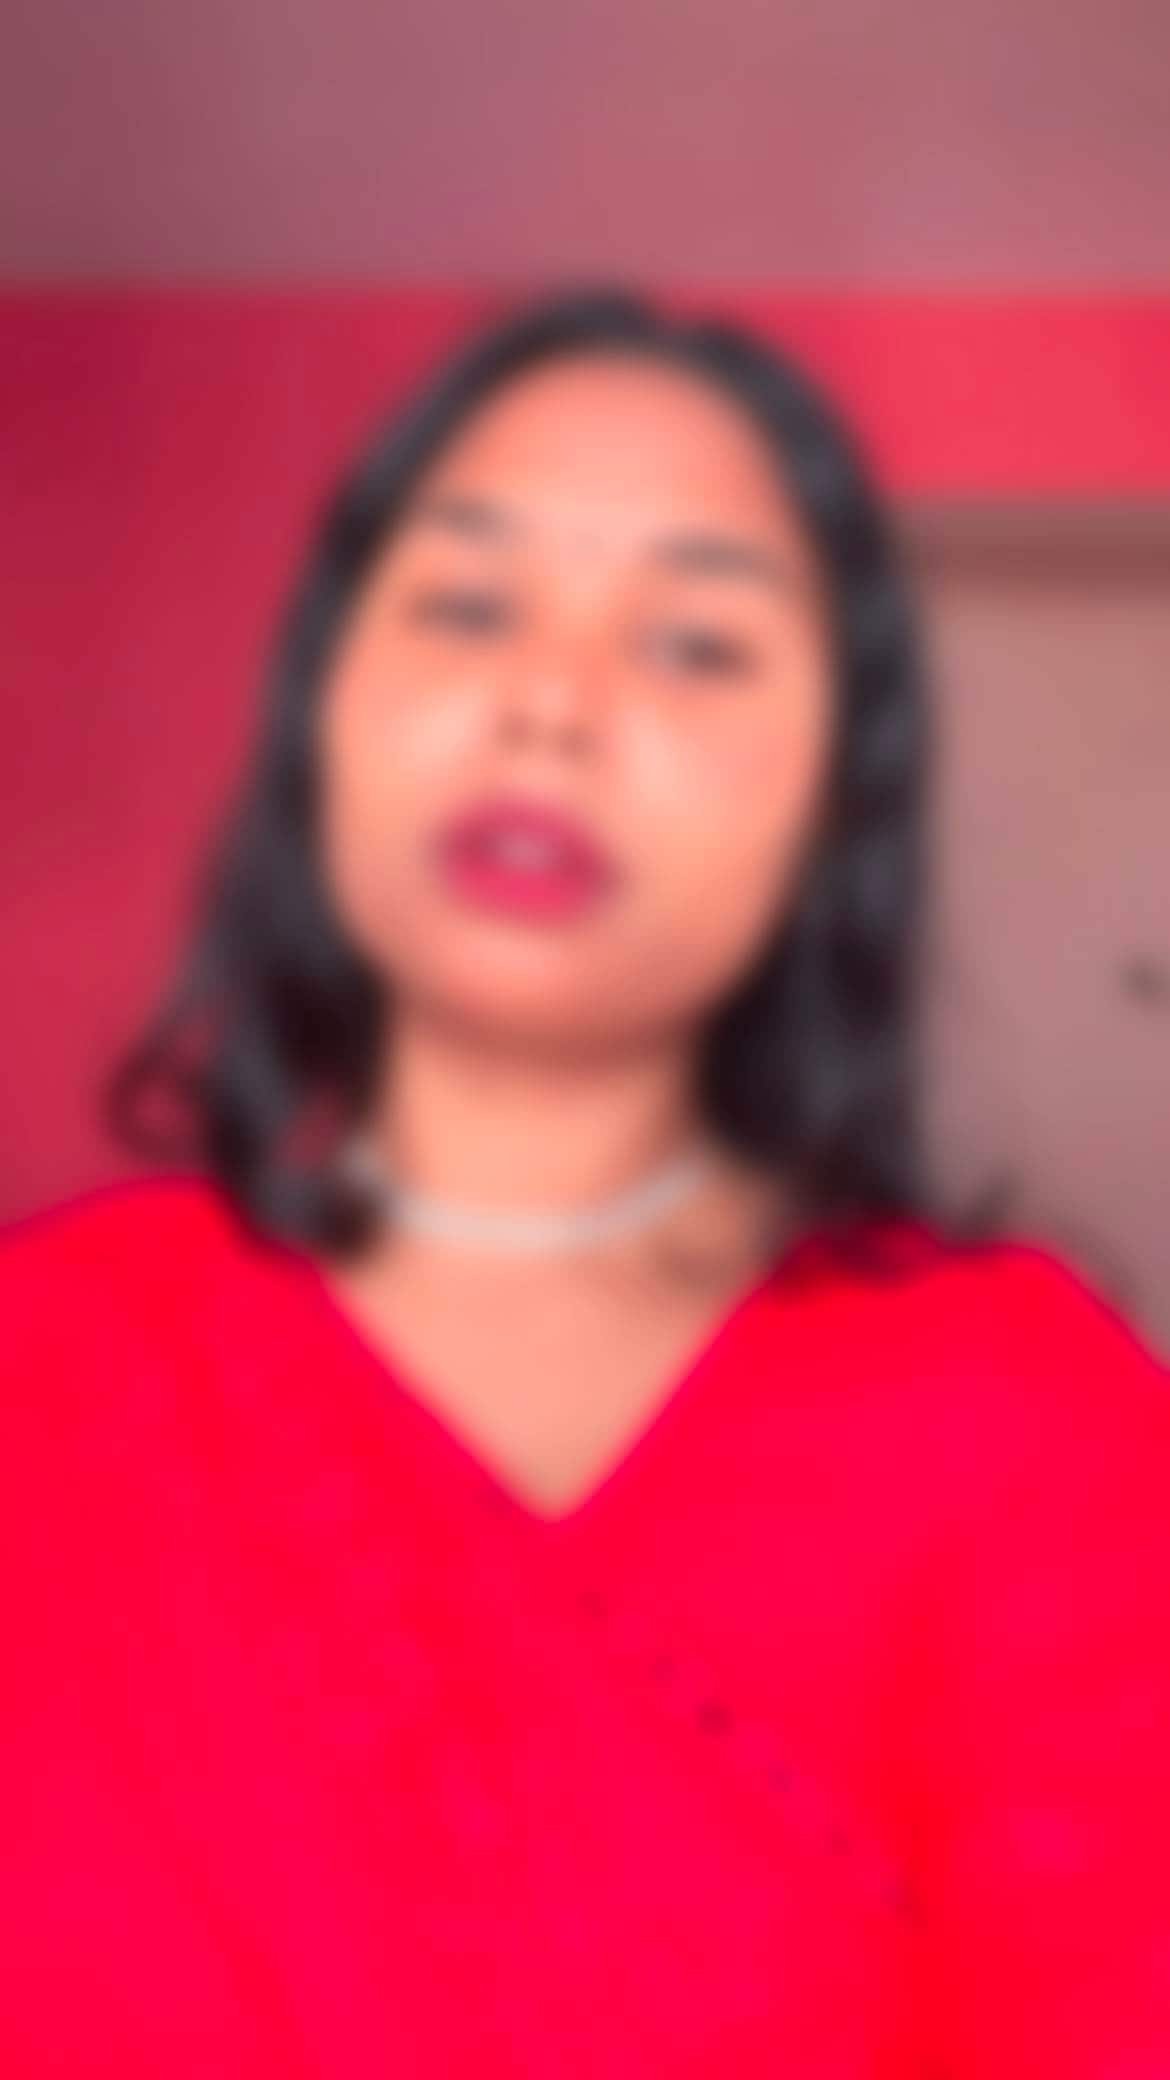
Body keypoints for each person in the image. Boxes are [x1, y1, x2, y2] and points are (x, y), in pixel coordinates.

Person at [2, 286, 1168, 2079]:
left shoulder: (1035, 1414)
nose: (550, 702)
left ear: (832, 805)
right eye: (466, 606)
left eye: (695, 642)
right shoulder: (50, 1361)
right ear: (323, 717)